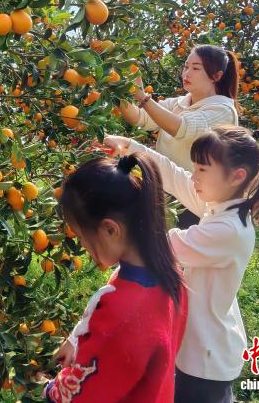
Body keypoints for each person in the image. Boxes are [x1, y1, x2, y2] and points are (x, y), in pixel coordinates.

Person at [102, 125, 259, 403]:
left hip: (206, 358)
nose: (194, 175)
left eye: (202, 169)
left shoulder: (228, 230)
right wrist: (129, 146)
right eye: (195, 166)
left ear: (237, 176)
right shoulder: (222, 203)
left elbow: (165, 245)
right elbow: (174, 176)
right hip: (201, 344)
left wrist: (116, 223)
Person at [42, 153, 188, 403]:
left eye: (82, 237)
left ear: (110, 230)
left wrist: (49, 388)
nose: (83, 247)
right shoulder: (169, 273)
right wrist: (77, 341)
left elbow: (83, 394)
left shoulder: (123, 315)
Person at [119, 44, 240, 228]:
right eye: (186, 66)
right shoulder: (178, 103)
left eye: (196, 68)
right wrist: (117, 91)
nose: (187, 73)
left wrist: (142, 96)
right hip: (164, 190)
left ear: (216, 76)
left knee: (180, 244)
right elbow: (139, 117)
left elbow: (182, 128)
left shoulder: (223, 110)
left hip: (194, 199)